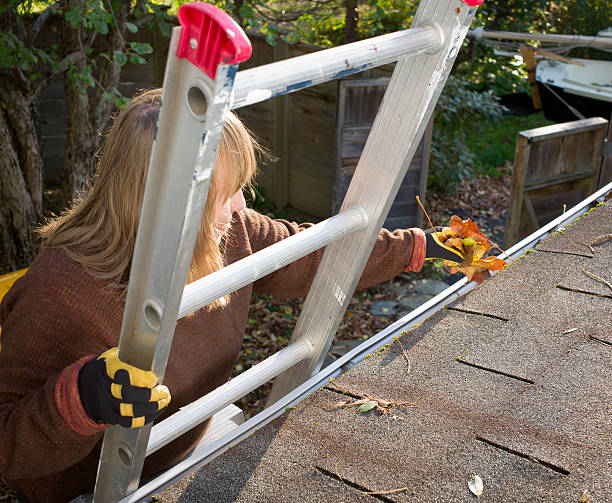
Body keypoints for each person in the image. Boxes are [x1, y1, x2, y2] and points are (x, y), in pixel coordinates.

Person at [0, 88, 455, 503]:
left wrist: (418, 247)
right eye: (226, 193)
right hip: (83, 492)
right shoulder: (59, 291)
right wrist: (79, 400)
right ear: (166, 202)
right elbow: (7, 447)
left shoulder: (229, 233)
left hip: (179, 455)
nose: (240, 207)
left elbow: (314, 253)